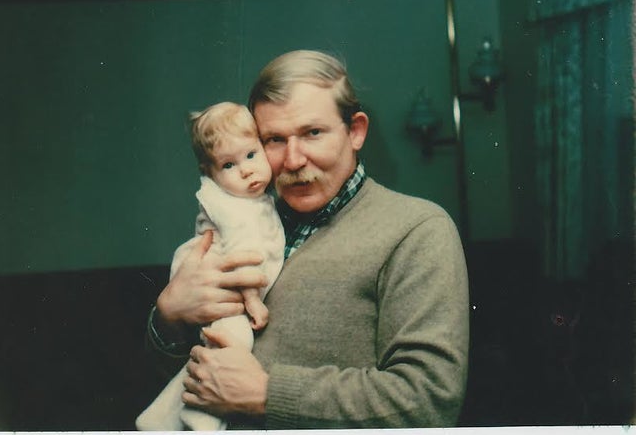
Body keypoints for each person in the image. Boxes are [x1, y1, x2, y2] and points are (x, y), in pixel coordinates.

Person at [147, 50, 470, 429]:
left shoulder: (417, 229)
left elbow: (430, 400)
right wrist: (168, 317)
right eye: (274, 139)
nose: (294, 159)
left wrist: (267, 394)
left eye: (312, 133)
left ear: (355, 131)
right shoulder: (246, 226)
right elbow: (183, 382)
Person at [136, 102, 285, 431]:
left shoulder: (251, 198)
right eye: (229, 164)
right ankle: (198, 419)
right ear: (209, 172)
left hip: (219, 287)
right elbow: (239, 259)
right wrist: (253, 301)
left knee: (212, 356)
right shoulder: (234, 211)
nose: (247, 170)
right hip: (224, 288)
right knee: (233, 348)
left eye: (251, 154)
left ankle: (159, 417)